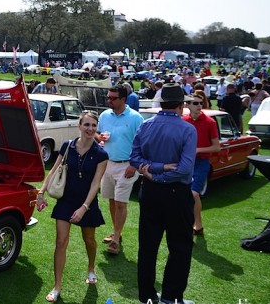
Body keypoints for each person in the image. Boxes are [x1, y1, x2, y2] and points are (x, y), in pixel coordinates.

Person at [130, 83, 198, 304]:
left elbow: (136, 159)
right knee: (179, 246)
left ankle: (147, 296)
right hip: (175, 193)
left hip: (150, 191)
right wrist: (160, 170)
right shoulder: (187, 129)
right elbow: (185, 168)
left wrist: (153, 172)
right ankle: (171, 296)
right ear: (181, 105)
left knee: (148, 247)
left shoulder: (146, 125)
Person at [37, 110, 108, 302]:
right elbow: (53, 171)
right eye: (86, 124)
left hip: (87, 203)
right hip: (66, 200)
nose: (90, 129)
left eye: (94, 125)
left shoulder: (101, 154)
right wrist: (41, 192)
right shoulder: (67, 146)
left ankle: (91, 267)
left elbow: (96, 184)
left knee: (89, 240)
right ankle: (57, 286)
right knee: (61, 242)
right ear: (79, 125)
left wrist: (84, 207)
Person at [97, 85, 144, 255]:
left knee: (120, 202)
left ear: (123, 99)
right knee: (111, 200)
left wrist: (134, 164)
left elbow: (142, 144)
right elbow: (97, 133)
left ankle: (115, 239)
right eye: (108, 98)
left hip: (127, 165)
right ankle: (117, 231)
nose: (109, 100)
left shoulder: (136, 118)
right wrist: (99, 137)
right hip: (107, 163)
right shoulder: (104, 115)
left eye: (113, 98)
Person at [183, 90, 219, 236]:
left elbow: (217, 147)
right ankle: (198, 226)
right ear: (188, 105)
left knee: (193, 193)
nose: (199, 106)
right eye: (195, 103)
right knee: (187, 194)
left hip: (201, 162)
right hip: (185, 161)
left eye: (201, 103)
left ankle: (191, 226)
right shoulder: (184, 120)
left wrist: (198, 150)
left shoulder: (210, 122)